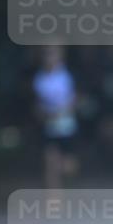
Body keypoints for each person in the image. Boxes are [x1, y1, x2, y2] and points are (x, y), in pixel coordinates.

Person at [32, 45, 79, 190]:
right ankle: (54, 196)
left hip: (66, 124)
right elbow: (38, 102)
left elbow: (73, 99)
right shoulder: (39, 79)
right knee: (50, 161)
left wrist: (62, 111)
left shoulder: (66, 76)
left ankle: (70, 184)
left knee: (67, 164)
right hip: (49, 125)